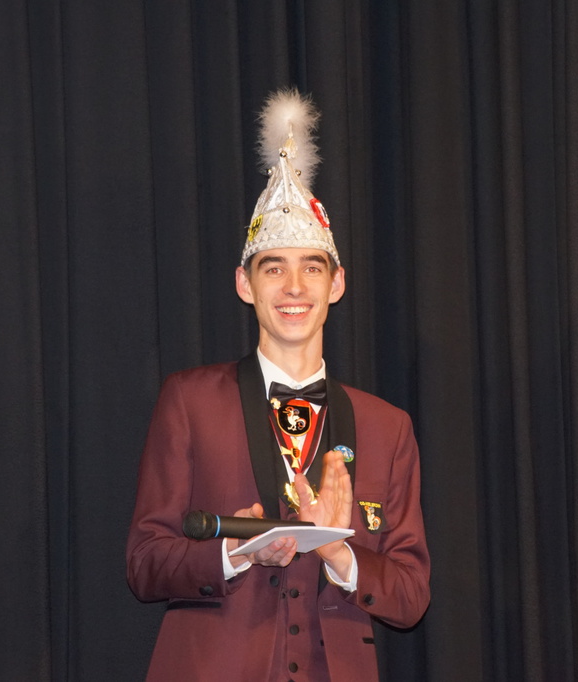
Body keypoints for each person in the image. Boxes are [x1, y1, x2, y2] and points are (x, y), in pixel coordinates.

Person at [126, 90, 430, 681]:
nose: (294, 286)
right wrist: (234, 554)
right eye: (274, 268)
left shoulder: (387, 427)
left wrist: (337, 550)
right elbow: (144, 563)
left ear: (336, 284)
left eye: (311, 267)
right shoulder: (189, 401)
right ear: (245, 284)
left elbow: (411, 594)